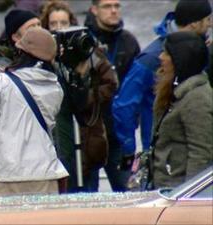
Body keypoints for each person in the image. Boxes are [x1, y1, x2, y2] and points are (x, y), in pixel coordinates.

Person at [113, 0, 212, 186]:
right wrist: (129, 152)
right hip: (163, 168)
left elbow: (201, 152)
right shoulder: (151, 58)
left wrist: (191, 196)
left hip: (179, 183)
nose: (161, 58)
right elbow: (124, 105)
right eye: (208, 19)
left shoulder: (197, 92)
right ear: (194, 23)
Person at [0, 27, 68, 197]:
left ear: (21, 52)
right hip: (46, 173)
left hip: (5, 174)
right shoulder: (56, 88)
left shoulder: (2, 83)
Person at [40, 0, 118, 192]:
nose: (59, 29)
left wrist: (87, 92)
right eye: (53, 24)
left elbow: (111, 83)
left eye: (64, 23)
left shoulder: (89, 52)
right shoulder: (42, 59)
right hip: (59, 141)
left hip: (87, 140)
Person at [83, 0, 140, 192]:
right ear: (94, 9)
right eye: (107, 6)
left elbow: (140, 85)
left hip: (120, 134)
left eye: (117, 6)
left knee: (129, 193)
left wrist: (134, 118)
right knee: (87, 197)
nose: (114, 10)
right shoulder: (83, 41)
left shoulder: (129, 41)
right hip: (90, 132)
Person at [152, 31, 212, 188]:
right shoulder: (174, 90)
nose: (161, 57)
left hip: (178, 193)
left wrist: (188, 200)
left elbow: (201, 154)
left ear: (180, 59)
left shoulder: (196, 98)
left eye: (166, 53)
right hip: (166, 187)